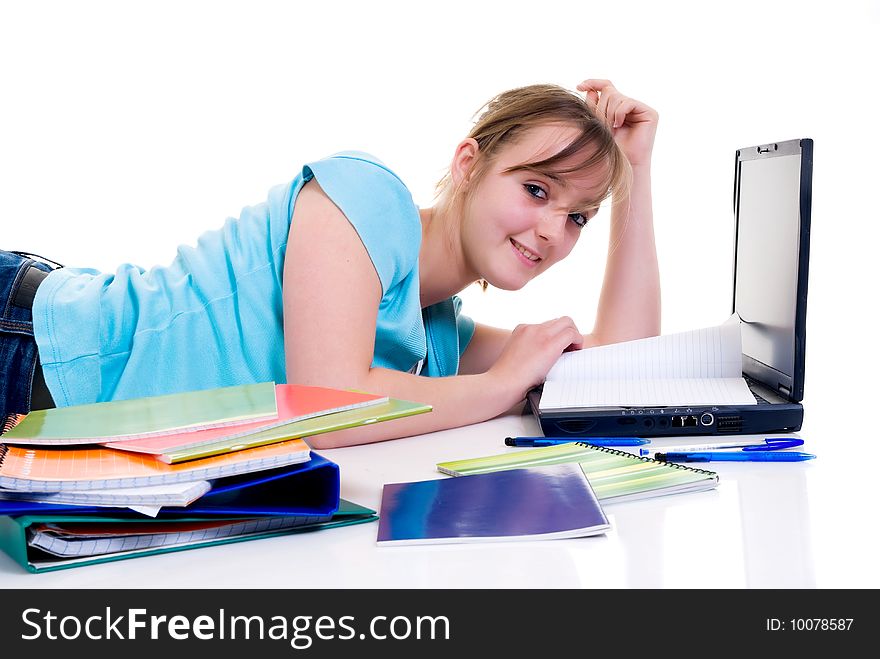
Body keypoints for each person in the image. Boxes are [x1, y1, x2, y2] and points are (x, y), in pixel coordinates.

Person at [0, 79, 660, 446]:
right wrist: (500, 384)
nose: (553, 230)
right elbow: (327, 404)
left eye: (578, 216)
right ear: (469, 164)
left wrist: (634, 172)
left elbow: (617, 365)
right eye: (536, 190)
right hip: (28, 346)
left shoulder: (434, 335)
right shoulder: (365, 196)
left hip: (53, 409)